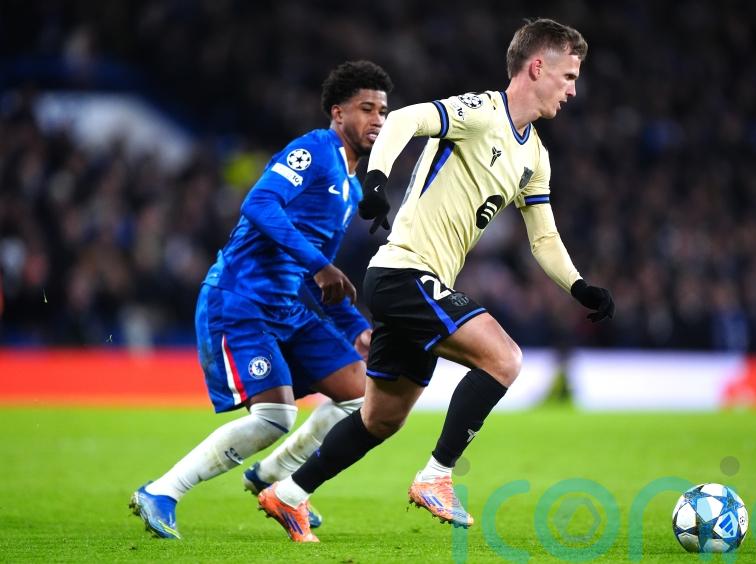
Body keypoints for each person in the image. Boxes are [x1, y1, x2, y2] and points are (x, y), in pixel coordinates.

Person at [257, 18, 614, 543]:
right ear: (538, 67)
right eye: (569, 76)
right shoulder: (482, 111)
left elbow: (543, 237)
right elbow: (404, 120)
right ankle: (437, 476)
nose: (573, 90)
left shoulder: (534, 156)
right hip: (405, 272)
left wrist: (580, 286)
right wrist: (375, 181)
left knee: (381, 419)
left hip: (414, 283)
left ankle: (288, 493)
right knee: (504, 358)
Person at [129, 60, 393, 539]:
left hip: (285, 306)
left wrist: (356, 327)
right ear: (338, 113)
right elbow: (259, 203)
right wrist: (319, 264)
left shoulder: (352, 186)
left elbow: (321, 274)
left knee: (361, 395)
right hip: (239, 299)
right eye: (366, 108)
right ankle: (162, 491)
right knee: (275, 417)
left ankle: (275, 479)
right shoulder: (314, 150)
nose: (377, 119)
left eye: (383, 111)